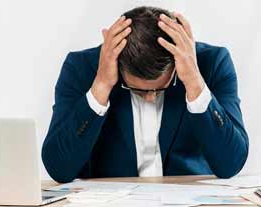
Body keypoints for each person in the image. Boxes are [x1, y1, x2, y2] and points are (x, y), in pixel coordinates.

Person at [42, 6, 249, 183]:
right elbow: (59, 168)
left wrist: (195, 83)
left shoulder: (213, 63)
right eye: (138, 89)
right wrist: (102, 85)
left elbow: (231, 164)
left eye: (160, 88)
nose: (150, 97)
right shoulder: (82, 67)